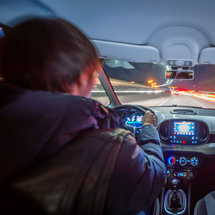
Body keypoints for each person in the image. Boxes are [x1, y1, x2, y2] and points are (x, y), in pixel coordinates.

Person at [0, 18, 166, 214]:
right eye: (94, 74)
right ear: (83, 76)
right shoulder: (109, 148)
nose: (95, 81)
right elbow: (155, 177)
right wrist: (148, 128)